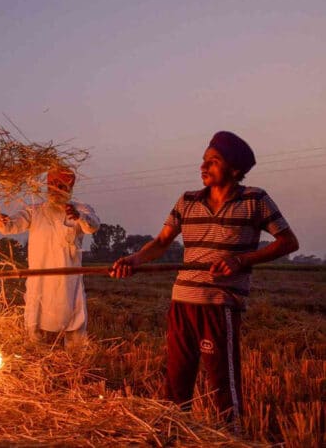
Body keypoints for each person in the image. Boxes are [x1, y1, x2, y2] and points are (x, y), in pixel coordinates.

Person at [110, 131, 299, 425]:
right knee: (176, 381)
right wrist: (133, 260)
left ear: (235, 170)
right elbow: (161, 242)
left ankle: (231, 435)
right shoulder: (187, 201)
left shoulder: (255, 200)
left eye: (214, 161)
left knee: (223, 382)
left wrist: (240, 261)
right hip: (182, 301)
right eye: (203, 161)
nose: (204, 167)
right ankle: (173, 433)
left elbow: (288, 242)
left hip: (220, 303)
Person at [0, 166, 100, 345]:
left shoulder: (81, 209)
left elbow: (92, 226)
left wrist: (79, 217)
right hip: (39, 278)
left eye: (60, 184)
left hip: (68, 283)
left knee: (75, 325)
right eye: (51, 184)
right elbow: (11, 225)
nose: (54, 188)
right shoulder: (34, 211)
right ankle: (36, 361)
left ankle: (76, 364)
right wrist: (4, 222)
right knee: (35, 326)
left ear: (69, 187)